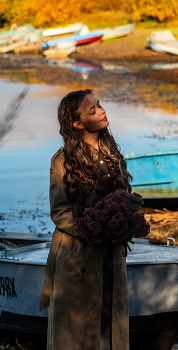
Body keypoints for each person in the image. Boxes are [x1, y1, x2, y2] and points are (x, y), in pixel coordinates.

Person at [39, 89, 132, 350]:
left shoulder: (112, 152)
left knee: (109, 330)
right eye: (92, 110)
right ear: (77, 123)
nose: (101, 111)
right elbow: (59, 212)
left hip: (110, 253)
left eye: (99, 105)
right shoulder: (62, 160)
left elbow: (123, 196)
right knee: (77, 333)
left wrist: (128, 216)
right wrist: (92, 228)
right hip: (78, 254)